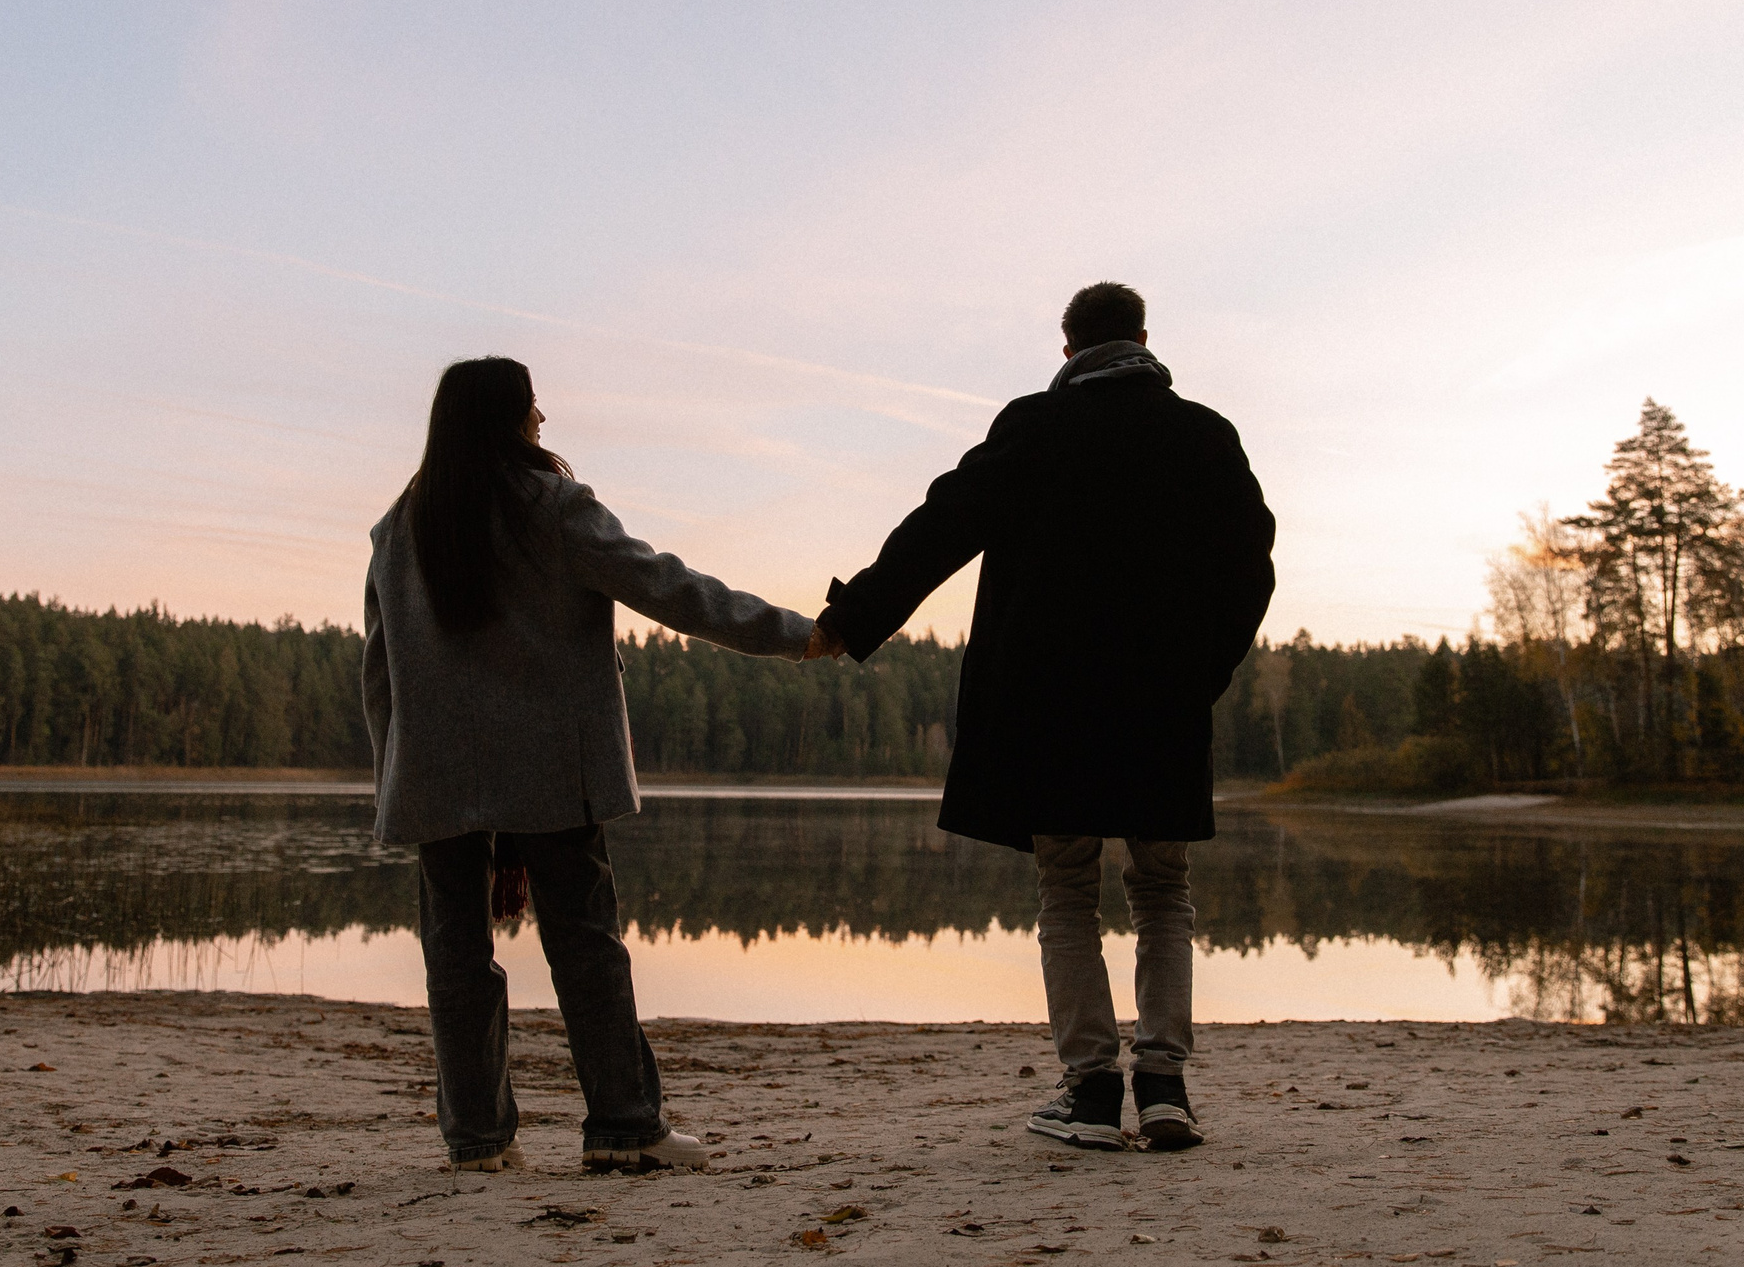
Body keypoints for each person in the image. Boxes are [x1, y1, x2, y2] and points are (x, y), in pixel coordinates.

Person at [814, 283, 1274, 1153]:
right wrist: (1200, 671)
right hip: (1160, 706)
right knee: (1163, 889)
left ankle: (1094, 1092)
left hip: (1052, 706)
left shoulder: (1034, 425)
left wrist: (855, 615)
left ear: (1067, 351)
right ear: (1144, 338)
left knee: (1068, 890)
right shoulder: (1203, 434)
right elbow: (1252, 566)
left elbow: (942, 522)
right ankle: (1167, 1088)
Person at [362, 355, 823, 1174]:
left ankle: (476, 1139)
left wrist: (394, 775)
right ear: (507, 417)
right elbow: (669, 588)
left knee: (454, 954)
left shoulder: (401, 525)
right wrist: (794, 633)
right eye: (532, 407)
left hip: (435, 771)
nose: (543, 421)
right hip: (553, 767)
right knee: (585, 942)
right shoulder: (552, 509)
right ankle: (624, 1126)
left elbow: (379, 669)